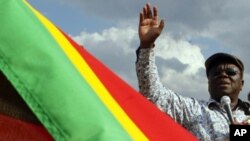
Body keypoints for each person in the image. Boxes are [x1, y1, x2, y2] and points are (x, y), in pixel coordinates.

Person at [136, 3, 250, 141]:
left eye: (231, 72)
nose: (223, 74)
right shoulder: (193, 110)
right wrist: (146, 47)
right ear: (208, 82)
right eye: (215, 72)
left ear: (242, 83)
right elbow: (153, 94)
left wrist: (241, 134)